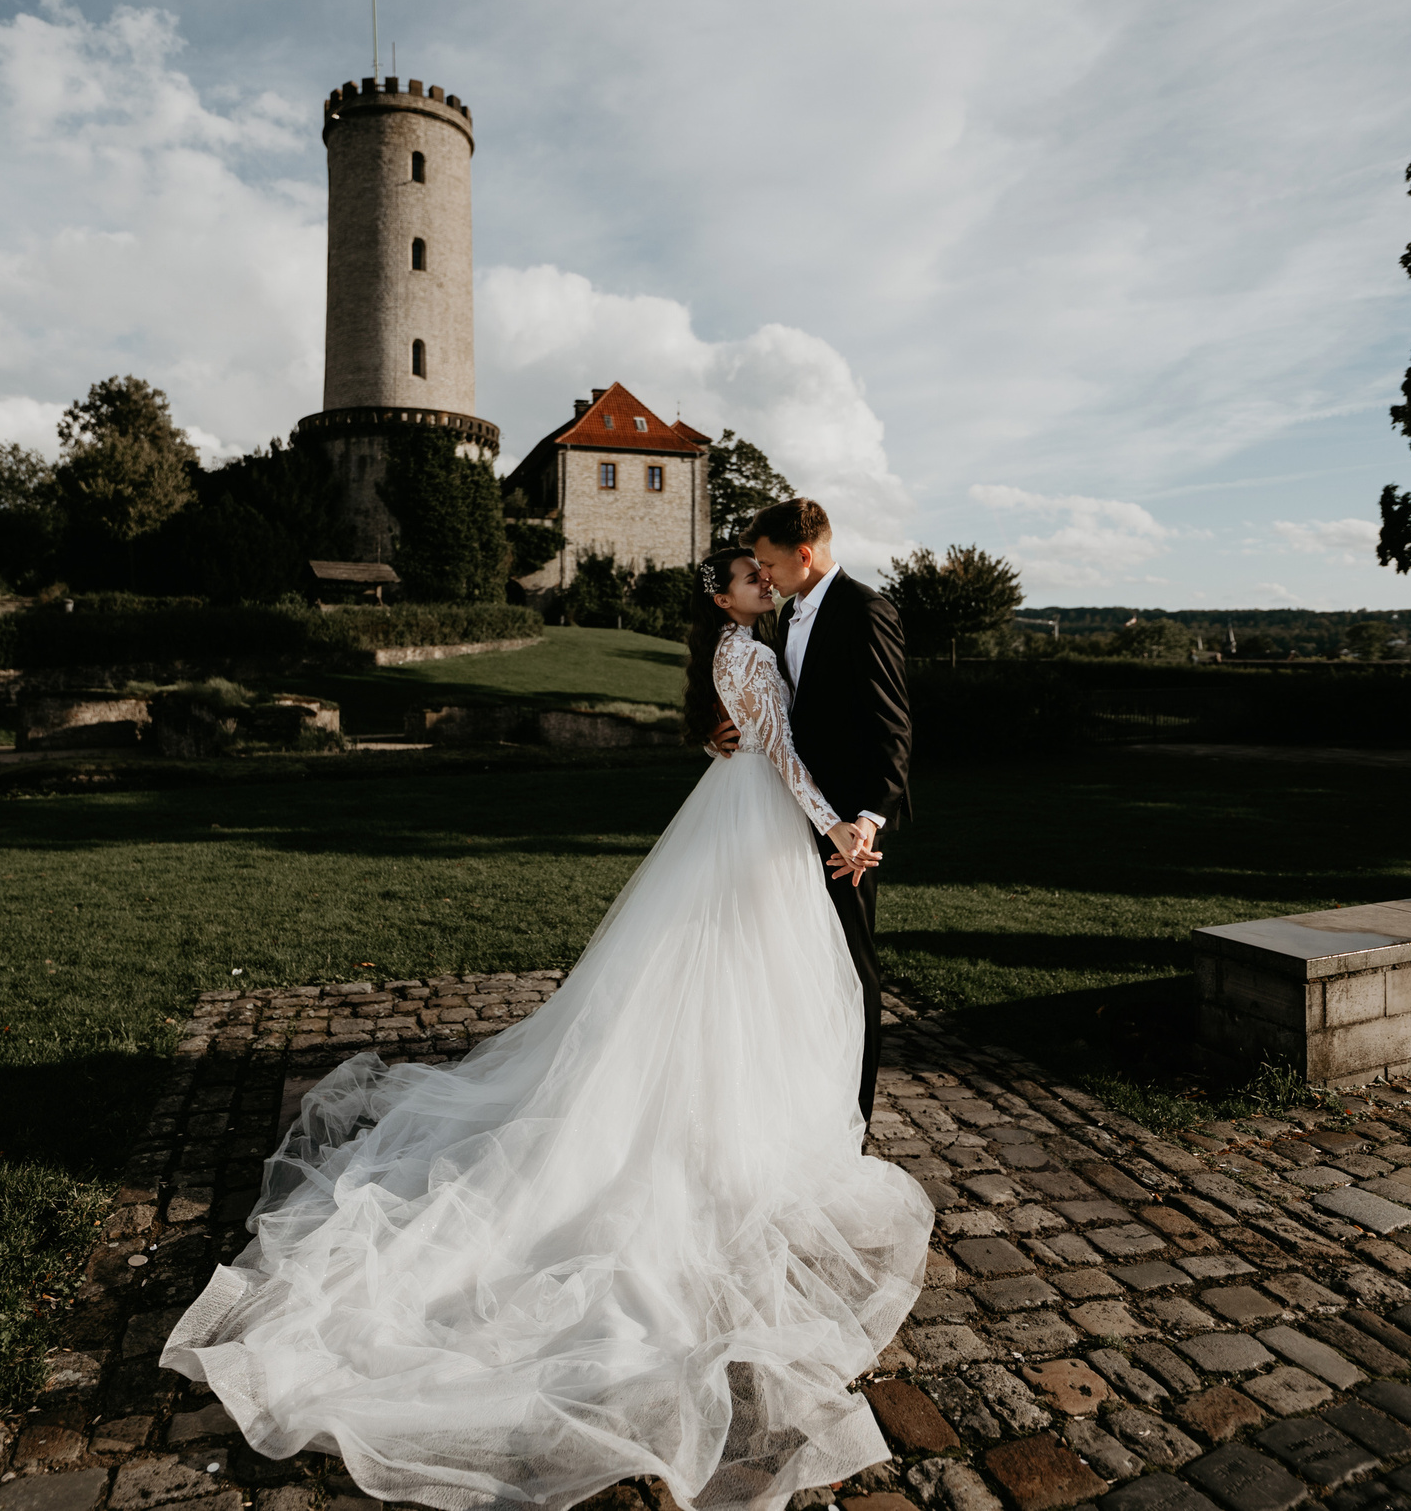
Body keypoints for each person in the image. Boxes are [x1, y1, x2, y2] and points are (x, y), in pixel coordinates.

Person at [161, 546, 931, 1511]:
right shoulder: (745, 649)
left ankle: (740, 1113)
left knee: (732, 982)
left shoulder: (745, 643)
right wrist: (838, 828)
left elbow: (752, 737)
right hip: (764, 821)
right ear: (723, 597)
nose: (762, 583)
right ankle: (720, 1129)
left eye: (762, 572)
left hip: (745, 824)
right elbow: (778, 752)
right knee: (722, 981)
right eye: (747, 576)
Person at [723, 499, 912, 1126]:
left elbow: (892, 727)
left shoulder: (863, 609)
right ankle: (799, 1099)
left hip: (844, 830)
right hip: (781, 814)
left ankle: (850, 1120)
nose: (764, 575)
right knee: (789, 959)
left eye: (770, 563)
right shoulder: (786, 615)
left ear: (804, 555)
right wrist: (722, 732)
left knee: (851, 967)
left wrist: (869, 817)